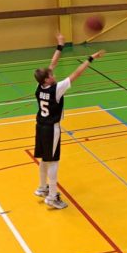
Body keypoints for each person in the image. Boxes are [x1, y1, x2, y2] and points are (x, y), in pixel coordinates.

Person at [34, 33, 104, 209]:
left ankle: (42, 188)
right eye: (51, 75)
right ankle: (52, 197)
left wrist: (60, 46)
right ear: (47, 79)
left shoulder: (39, 86)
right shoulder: (56, 89)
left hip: (40, 127)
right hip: (51, 128)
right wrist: (90, 59)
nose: (54, 74)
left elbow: (52, 63)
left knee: (44, 159)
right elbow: (76, 74)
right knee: (53, 161)